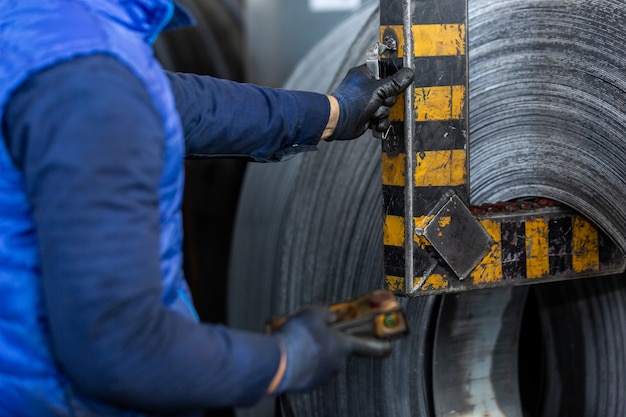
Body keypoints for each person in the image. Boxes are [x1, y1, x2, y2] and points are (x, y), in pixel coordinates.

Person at [0, 1, 414, 416]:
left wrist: (332, 112)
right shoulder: (91, 80)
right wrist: (283, 361)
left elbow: (169, 102)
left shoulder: (50, 27)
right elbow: (122, 350)